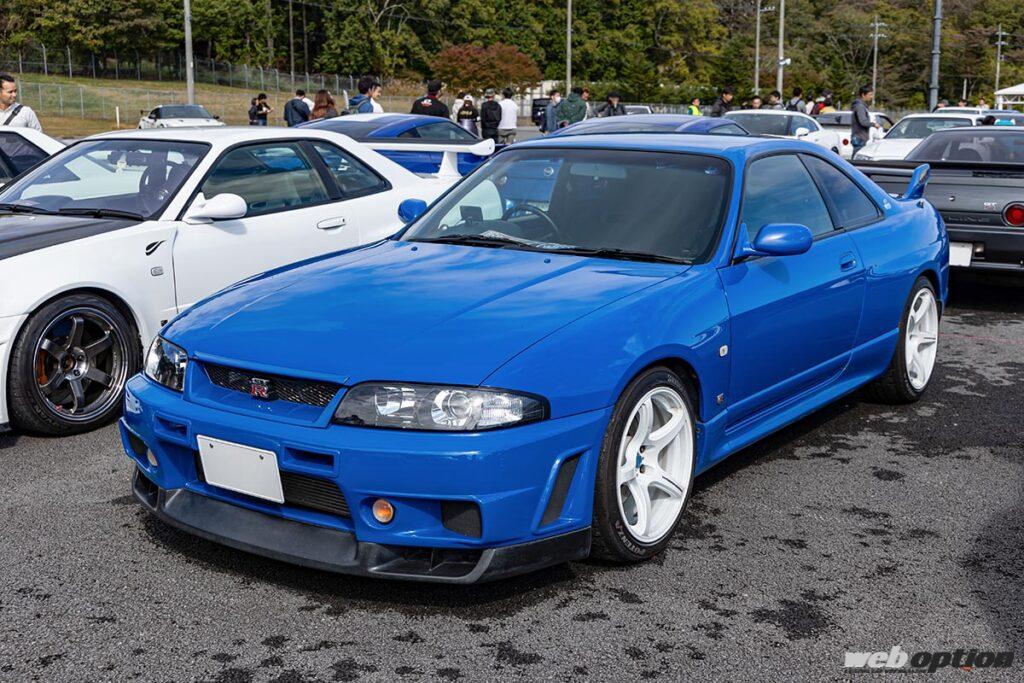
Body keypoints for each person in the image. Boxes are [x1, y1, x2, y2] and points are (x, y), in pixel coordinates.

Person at [851, 85, 879, 157]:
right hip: (859, 138)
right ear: (863, 95)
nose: (871, 97)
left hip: (860, 137)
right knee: (857, 159)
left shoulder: (862, 106)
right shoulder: (860, 107)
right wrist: (873, 124)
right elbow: (863, 121)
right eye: (870, 94)